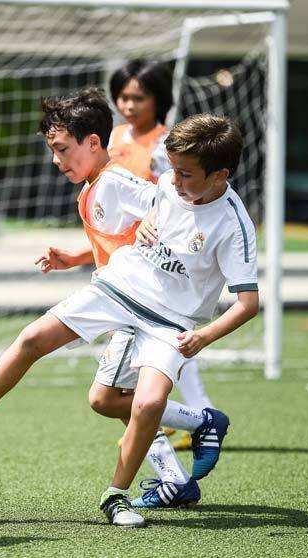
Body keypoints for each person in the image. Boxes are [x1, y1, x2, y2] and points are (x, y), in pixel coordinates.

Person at [0, 111, 258, 529]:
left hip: (172, 322)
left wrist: (204, 336)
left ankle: (117, 495)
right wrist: (146, 223)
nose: (175, 181)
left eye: (186, 175)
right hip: (120, 287)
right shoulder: (169, 184)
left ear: (220, 175)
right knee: (33, 337)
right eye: (174, 171)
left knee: (143, 403)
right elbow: (155, 206)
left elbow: (247, 303)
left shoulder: (234, 226)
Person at [34, 88, 206, 510]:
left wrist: (155, 218)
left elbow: (162, 203)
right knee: (120, 401)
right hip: (119, 301)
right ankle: (177, 472)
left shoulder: (119, 172)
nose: (58, 160)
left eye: (61, 150)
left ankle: (198, 425)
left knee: (106, 399)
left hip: (138, 303)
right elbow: (120, 234)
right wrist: (74, 256)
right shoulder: (95, 183)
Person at [110, 59, 214, 450]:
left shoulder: (166, 144)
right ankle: (181, 418)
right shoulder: (114, 139)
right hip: (120, 253)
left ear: (159, 99)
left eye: (139, 97)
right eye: (123, 96)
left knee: (164, 341)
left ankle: (180, 419)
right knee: (155, 345)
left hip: (159, 256)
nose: (129, 105)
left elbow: (169, 199)